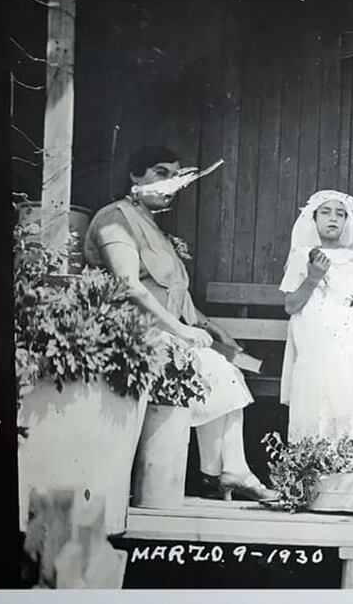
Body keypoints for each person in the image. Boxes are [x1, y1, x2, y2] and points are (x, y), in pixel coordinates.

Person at [84, 146, 275, 502]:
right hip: (130, 337)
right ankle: (226, 471)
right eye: (160, 173)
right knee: (214, 367)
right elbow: (128, 284)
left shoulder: (155, 229)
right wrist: (184, 330)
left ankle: (230, 469)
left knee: (225, 366)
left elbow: (171, 290)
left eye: (175, 175)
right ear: (135, 176)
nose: (170, 183)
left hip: (166, 334)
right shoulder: (116, 218)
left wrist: (208, 324)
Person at [278, 190, 353, 443]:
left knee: (344, 398)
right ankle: (312, 462)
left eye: (340, 214)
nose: (333, 218)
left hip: (347, 345)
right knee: (317, 397)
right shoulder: (303, 255)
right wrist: (313, 278)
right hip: (316, 341)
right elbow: (291, 305)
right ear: (313, 218)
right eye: (326, 212)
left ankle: (344, 463)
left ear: (347, 222)